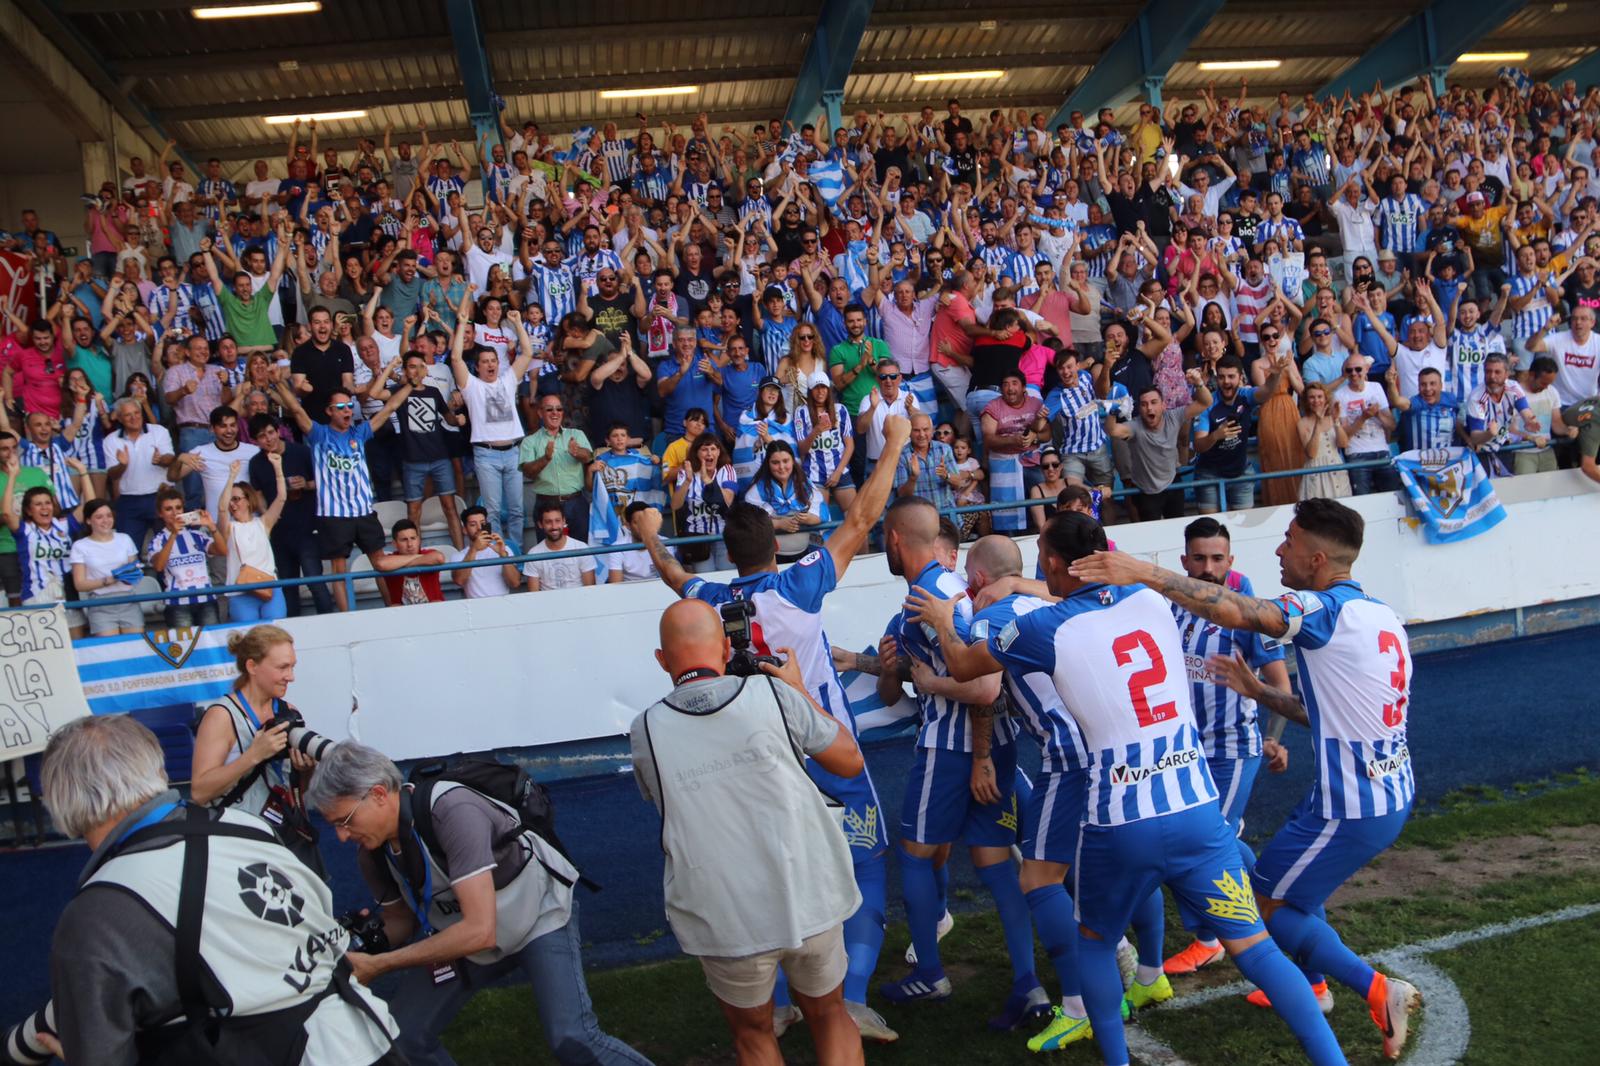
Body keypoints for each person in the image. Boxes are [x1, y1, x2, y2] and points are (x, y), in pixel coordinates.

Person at [911, 511, 1347, 1066]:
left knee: (1093, 944)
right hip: (1195, 810)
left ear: (1049, 562)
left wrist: (947, 616)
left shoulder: (1045, 628)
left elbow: (963, 663)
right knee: (1257, 950)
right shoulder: (1152, 599)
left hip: (1119, 820)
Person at [1071, 498, 1421, 1060]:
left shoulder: (1320, 607)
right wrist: (1261, 694)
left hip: (1351, 803)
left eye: (1287, 541)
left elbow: (1242, 612)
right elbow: (1337, 712)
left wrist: (1142, 570)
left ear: (1315, 558)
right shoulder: (1381, 614)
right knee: (1273, 899)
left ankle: (1368, 987)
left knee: (1266, 911)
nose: (1279, 550)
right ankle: (1352, 986)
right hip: (1384, 790)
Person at [626, 412, 910, 1043]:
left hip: (762, 752)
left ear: (731, 554)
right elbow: (861, 519)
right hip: (827, 742)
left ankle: (779, 1005)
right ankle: (851, 998)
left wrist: (650, 533)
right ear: (774, 547)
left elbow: (675, 578)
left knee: (773, 867)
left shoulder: (710, 599)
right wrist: (892, 443)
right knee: (864, 864)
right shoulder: (801, 582)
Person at [38, 714, 402, 1066]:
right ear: (158, 771)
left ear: (60, 805)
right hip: (367, 1039)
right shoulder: (248, 826)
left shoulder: (100, 908)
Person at [307, 741, 652, 1066]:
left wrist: (382, 964)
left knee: (573, 1038)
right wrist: (356, 946)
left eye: (345, 821)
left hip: (536, 917)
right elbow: (400, 921)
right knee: (403, 1034)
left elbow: (480, 932)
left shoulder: (451, 810)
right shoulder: (372, 852)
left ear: (379, 794)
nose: (340, 836)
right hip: (466, 933)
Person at [632, 600, 868, 1066]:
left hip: (723, 913)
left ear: (662, 660)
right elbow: (849, 760)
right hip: (809, 889)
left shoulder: (645, 730)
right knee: (830, 1015)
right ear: (724, 646)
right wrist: (798, 688)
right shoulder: (775, 696)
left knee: (754, 1036)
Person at [875, 496, 1049, 1031]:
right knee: (997, 865)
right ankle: (1029, 981)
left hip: (950, 748)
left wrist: (928, 684)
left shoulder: (929, 597)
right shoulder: (954, 591)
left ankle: (930, 970)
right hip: (992, 745)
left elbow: (981, 685)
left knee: (915, 854)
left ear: (897, 540)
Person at [1159, 519, 1292, 978]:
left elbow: (1280, 685)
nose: (1209, 567)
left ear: (1231, 563)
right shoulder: (1170, 606)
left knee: (1204, 843)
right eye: (1199, 558)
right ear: (1184, 562)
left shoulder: (1248, 614)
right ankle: (1273, 901)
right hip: (1183, 752)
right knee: (1213, 841)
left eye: (1218, 558)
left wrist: (1274, 736)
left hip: (1232, 750)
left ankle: (1212, 939)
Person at [451, 293, 539, 551]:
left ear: (498, 363)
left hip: (512, 452)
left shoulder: (508, 380)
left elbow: (527, 352)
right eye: (485, 362)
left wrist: (518, 323)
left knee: (516, 510)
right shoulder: (471, 386)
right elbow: (456, 359)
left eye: (493, 361)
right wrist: (461, 325)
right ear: (477, 367)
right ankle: (499, 555)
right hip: (486, 454)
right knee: (492, 512)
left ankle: (516, 556)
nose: (490, 364)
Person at [2, 452, 93, 636]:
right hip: (37, 597)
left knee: (76, 650)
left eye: (47, 503)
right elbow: (6, 513)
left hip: (68, 595)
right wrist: (12, 476)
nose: (45, 507)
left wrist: (83, 472)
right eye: (38, 504)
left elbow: (91, 507)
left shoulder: (65, 524)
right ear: (28, 510)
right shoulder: (24, 531)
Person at [1191, 354, 1288, 514]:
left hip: (1240, 472)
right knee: (1210, 528)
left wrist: (1275, 374)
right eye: (1222, 377)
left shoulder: (1245, 395)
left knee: (1245, 528)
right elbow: (1199, 445)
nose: (1226, 382)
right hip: (1209, 473)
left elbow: (1266, 391)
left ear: (1240, 377)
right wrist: (1216, 435)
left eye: (1231, 376)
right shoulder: (1207, 403)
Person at [1108, 382, 1211, 522]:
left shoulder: (1173, 416)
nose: (1149, 407)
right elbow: (1112, 430)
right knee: (1151, 535)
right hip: (1146, 490)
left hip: (1172, 482)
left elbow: (1206, 402)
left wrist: (1198, 382)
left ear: (1163, 405)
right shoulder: (1135, 426)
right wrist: (1112, 409)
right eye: (1144, 404)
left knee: (1178, 527)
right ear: (1139, 408)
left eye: (1154, 402)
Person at [216, 455, 288, 621]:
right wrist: (231, 477)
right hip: (240, 593)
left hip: (270, 588)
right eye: (230, 500)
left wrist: (278, 468)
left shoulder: (263, 523)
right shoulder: (228, 527)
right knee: (250, 640)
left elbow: (282, 497)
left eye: (237, 499)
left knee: (275, 633)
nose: (232, 504)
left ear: (248, 500)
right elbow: (221, 509)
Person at [103, 395, 176, 552]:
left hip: (159, 497)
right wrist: (122, 465)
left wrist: (161, 459)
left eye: (137, 413)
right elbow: (113, 475)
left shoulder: (158, 431)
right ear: (120, 419)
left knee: (167, 550)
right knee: (127, 552)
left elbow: (170, 458)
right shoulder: (111, 440)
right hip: (129, 501)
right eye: (128, 415)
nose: (134, 417)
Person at [520, 392, 594, 544]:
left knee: (581, 551)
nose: (555, 413)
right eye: (549, 409)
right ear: (540, 413)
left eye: (559, 409)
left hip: (576, 502)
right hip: (546, 504)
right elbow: (528, 472)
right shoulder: (530, 441)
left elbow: (588, 457)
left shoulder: (576, 434)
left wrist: (577, 452)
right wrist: (545, 459)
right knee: (549, 554)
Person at [147, 485, 223, 628]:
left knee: (212, 645)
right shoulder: (157, 540)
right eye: (168, 509)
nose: (175, 513)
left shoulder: (197, 535)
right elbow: (159, 566)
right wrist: (174, 533)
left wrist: (212, 527)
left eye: (178, 508)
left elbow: (222, 551)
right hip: (177, 603)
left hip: (206, 598)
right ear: (160, 513)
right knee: (185, 647)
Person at [68, 497, 145, 637]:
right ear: (88, 520)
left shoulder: (125, 538)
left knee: (137, 647)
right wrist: (106, 581)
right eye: (99, 517)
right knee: (110, 650)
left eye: (109, 516)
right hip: (100, 602)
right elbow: (79, 584)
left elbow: (135, 571)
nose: (106, 520)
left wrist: (130, 574)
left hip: (128, 599)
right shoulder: (80, 546)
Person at [741, 440, 823, 563]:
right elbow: (749, 522)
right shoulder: (757, 491)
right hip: (771, 559)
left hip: (803, 556)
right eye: (775, 462)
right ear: (768, 464)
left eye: (786, 461)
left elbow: (822, 511)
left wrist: (810, 518)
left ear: (792, 461)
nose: (781, 467)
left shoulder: (805, 485)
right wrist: (779, 524)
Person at [1331, 358, 1398, 495]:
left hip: (1382, 451)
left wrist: (1377, 414)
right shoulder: (1339, 395)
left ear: (1367, 369)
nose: (1354, 373)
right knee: (1362, 500)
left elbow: (1392, 425)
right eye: (1349, 370)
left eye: (1358, 369)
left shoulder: (1376, 387)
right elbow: (1344, 435)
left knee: (1393, 497)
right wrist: (1363, 418)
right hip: (1357, 454)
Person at [522, 500, 597, 591]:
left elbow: (590, 591)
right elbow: (533, 596)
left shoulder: (582, 548)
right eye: (548, 522)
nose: (554, 526)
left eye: (557, 521)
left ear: (564, 521)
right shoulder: (533, 554)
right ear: (540, 524)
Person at [451, 504, 522, 598]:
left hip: (502, 606)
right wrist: (474, 549)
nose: (479, 528)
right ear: (464, 530)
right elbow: (459, 580)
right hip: (476, 608)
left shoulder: (504, 549)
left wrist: (503, 555)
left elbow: (515, 583)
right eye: (473, 524)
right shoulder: (458, 556)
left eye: (482, 523)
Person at [1296, 382, 1352, 500]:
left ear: (1325, 399)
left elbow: (1344, 444)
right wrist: (1318, 423)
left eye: (1319, 397)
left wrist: (1336, 421)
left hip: (1336, 466)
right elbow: (1311, 453)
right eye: (1312, 397)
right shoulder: (1302, 423)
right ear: (1306, 401)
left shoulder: (1332, 418)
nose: (1316, 401)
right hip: (1315, 470)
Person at [372, 518, 447, 606]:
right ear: (394, 544)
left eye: (413, 538)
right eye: (404, 540)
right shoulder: (393, 558)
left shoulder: (427, 553)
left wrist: (403, 562)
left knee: (437, 602)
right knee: (395, 607)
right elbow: (380, 564)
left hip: (433, 610)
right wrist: (418, 558)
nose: (410, 544)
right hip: (403, 615)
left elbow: (439, 558)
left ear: (419, 540)